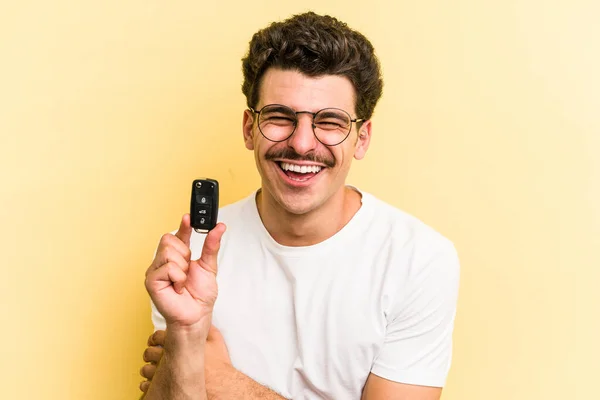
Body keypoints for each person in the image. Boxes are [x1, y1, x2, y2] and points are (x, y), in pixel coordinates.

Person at [140, 11, 460, 400]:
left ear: (361, 139)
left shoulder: (418, 259)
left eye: (330, 122)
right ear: (249, 128)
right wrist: (188, 340)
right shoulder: (193, 251)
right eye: (279, 117)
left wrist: (224, 382)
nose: (303, 143)